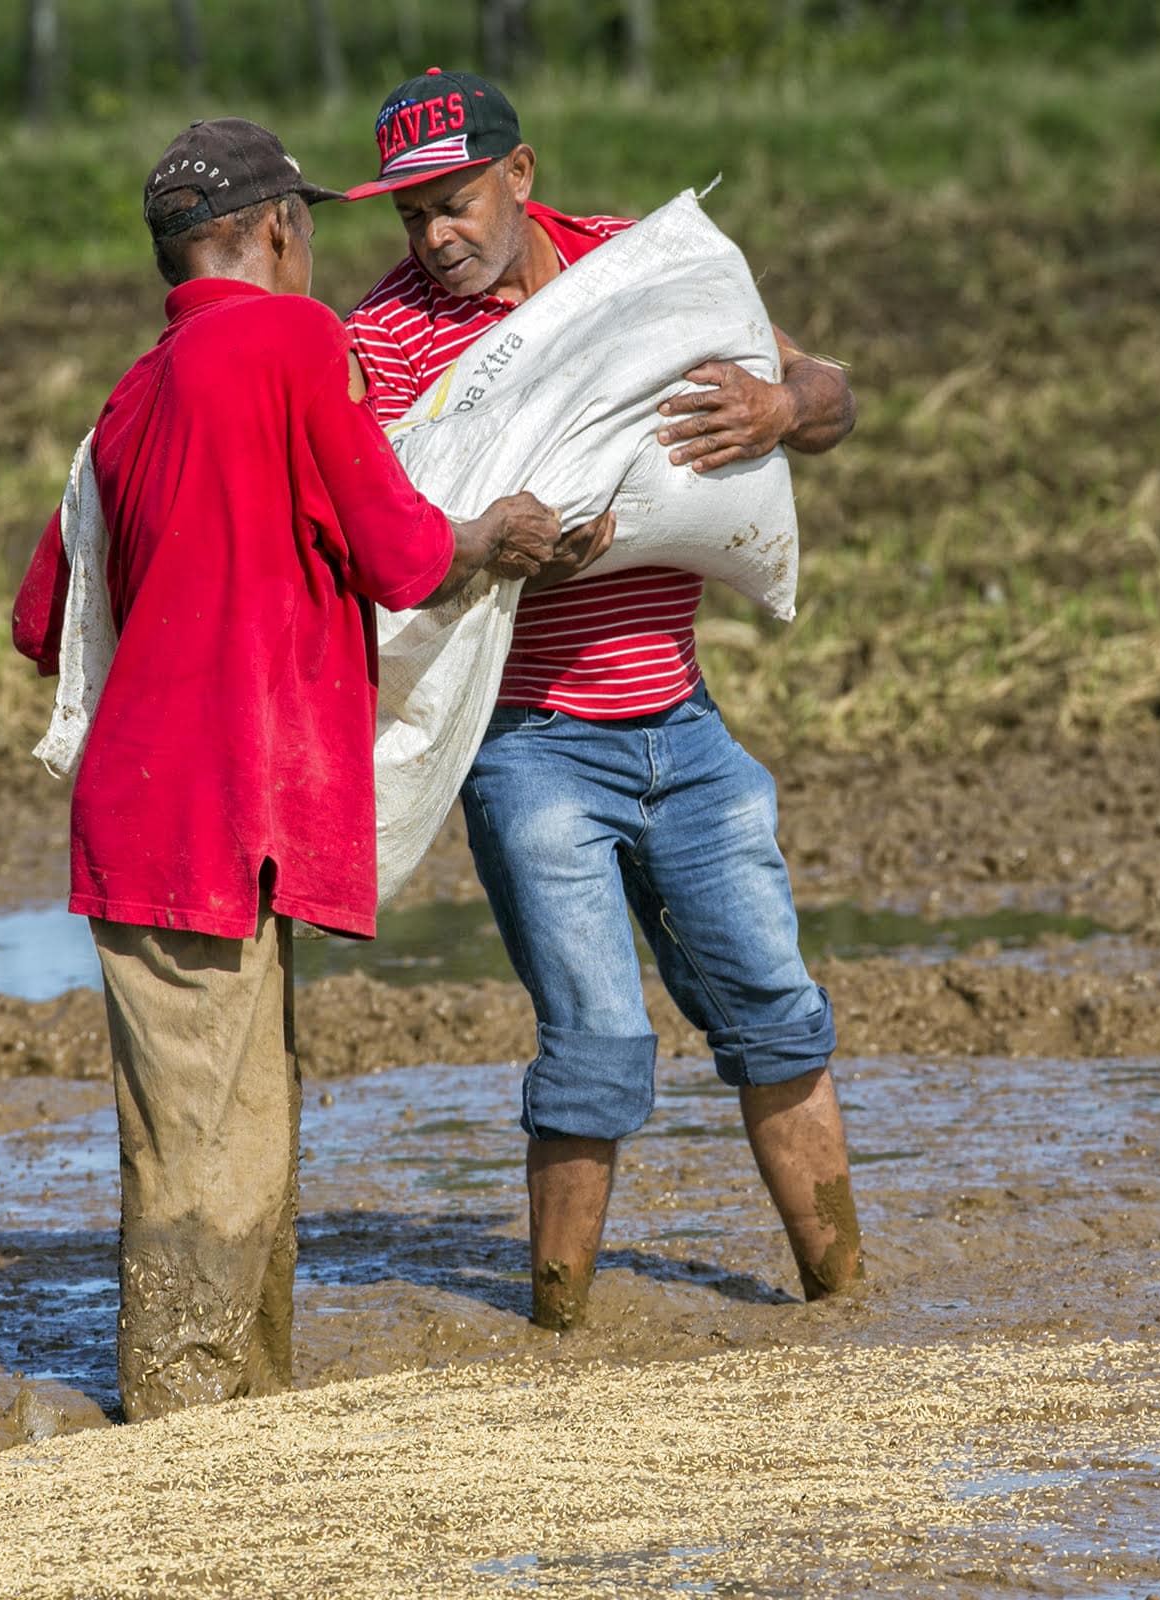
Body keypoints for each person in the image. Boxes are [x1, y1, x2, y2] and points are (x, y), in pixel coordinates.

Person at [11, 118, 572, 1419]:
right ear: (275, 230)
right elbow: (400, 552)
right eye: (310, 225)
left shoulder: (131, 398)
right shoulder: (292, 340)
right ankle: (181, 1415)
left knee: (229, 1120)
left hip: (174, 816)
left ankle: (241, 1408)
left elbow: (44, 619)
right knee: (209, 1140)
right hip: (212, 811)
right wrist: (488, 530)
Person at [342, 70, 865, 1331]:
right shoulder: (382, 339)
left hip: (683, 725)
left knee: (779, 1013)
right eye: (413, 216)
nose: (436, 238)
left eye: (456, 204)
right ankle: (559, 1327)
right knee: (595, 1044)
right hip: (527, 751)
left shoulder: (638, 269)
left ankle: (845, 1298)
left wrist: (782, 405)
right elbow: (371, 528)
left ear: (521, 179)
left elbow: (835, 391)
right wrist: (479, 539)